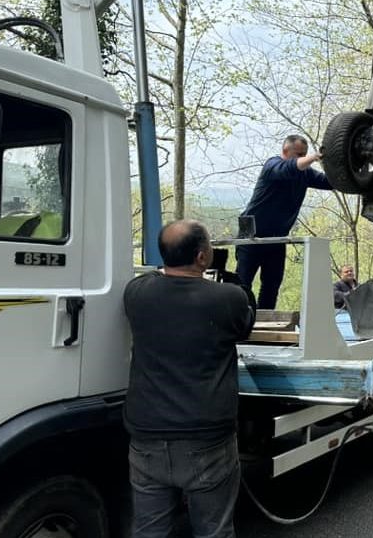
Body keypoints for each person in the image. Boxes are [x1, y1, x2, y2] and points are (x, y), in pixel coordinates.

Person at [123, 220, 255, 538]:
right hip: (206, 438)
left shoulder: (136, 292)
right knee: (214, 531)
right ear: (201, 257)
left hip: (146, 439)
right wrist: (233, 279)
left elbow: (160, 284)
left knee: (148, 531)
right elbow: (246, 321)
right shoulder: (227, 298)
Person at [236, 135, 332, 309]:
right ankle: (238, 320)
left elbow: (330, 182)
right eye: (298, 154)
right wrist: (314, 157)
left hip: (277, 235)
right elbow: (288, 168)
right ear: (285, 152)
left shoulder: (305, 174)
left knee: (272, 284)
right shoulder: (272, 165)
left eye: (305, 154)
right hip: (251, 231)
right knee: (242, 283)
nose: (302, 157)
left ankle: (265, 321)